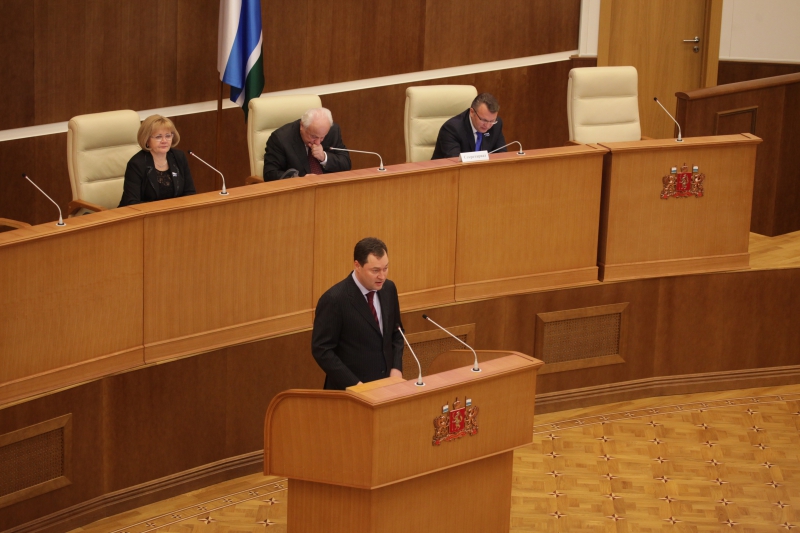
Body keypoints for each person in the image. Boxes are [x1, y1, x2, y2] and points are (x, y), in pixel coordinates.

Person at [311, 237, 404, 390]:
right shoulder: (335, 299)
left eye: (385, 268)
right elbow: (322, 350)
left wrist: (396, 368)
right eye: (375, 270)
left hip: (386, 387)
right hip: (350, 392)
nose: (382, 276)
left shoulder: (389, 289)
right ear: (357, 265)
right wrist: (355, 384)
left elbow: (397, 332)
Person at [118, 115, 196, 207]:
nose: (164, 141)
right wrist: (164, 209)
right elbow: (132, 202)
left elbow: (190, 193)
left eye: (168, 136)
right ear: (147, 140)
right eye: (158, 137)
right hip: (144, 214)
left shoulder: (179, 157)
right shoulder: (137, 164)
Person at [262, 107, 351, 181]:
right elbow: (270, 174)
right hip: (298, 192)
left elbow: (346, 164)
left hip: (328, 188)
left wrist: (324, 157)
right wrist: (299, 179)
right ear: (302, 126)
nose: (318, 142)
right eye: (314, 136)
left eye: (322, 137)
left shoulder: (332, 131)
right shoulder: (280, 138)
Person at [431, 93, 507, 159]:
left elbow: (501, 156)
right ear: (472, 112)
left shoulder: (496, 125)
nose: (487, 125)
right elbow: (455, 162)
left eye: (492, 121)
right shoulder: (451, 129)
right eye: (483, 120)